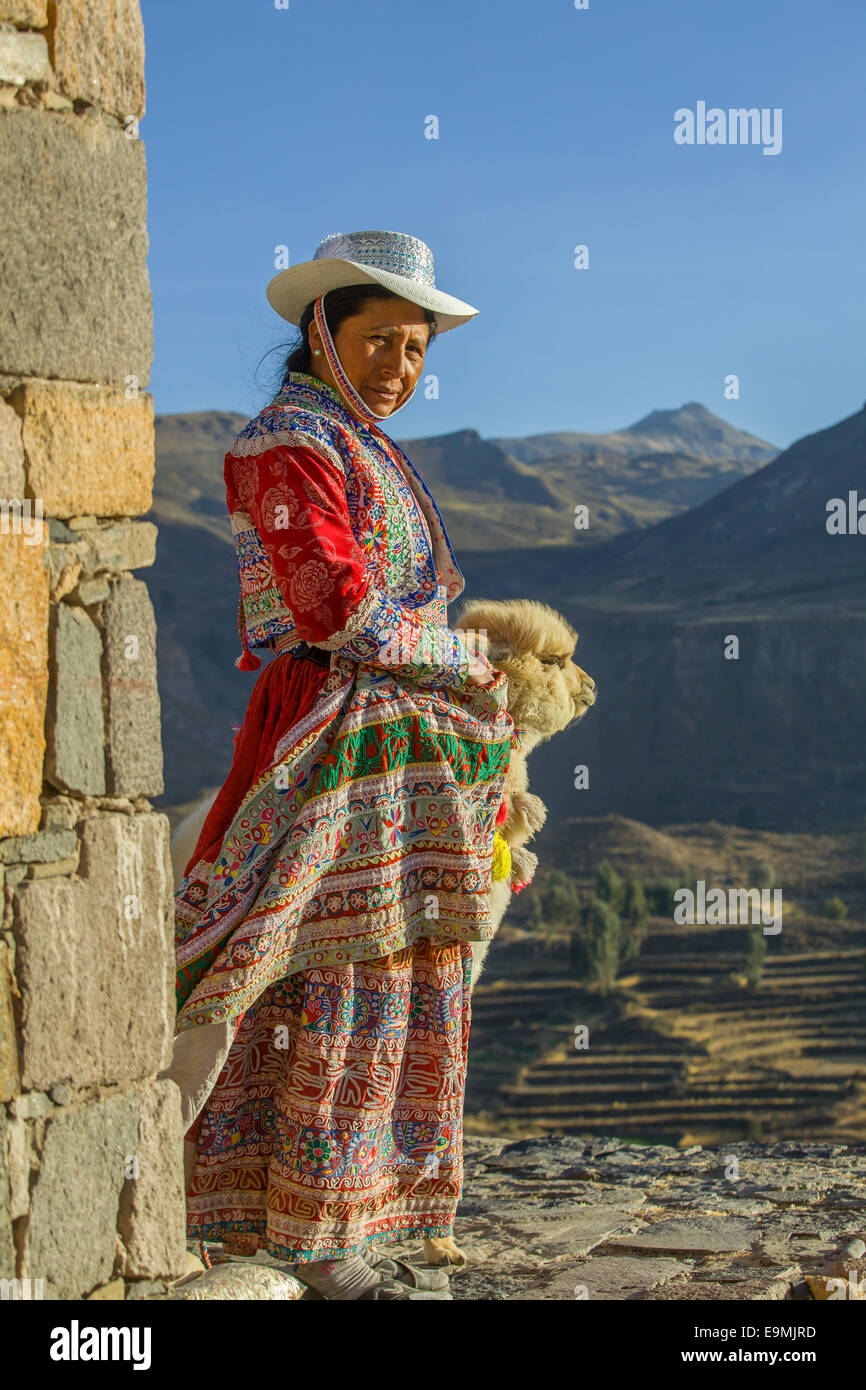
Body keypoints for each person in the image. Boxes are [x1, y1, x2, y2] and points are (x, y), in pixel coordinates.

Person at [167, 230, 516, 1300]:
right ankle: (296, 1237)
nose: (398, 368)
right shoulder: (288, 445)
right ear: (322, 331)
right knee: (317, 968)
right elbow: (335, 605)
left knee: (396, 975)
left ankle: (346, 1225)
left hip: (403, 759)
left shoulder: (360, 445)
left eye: (414, 349)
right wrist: (467, 656)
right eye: (379, 341)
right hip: (333, 736)